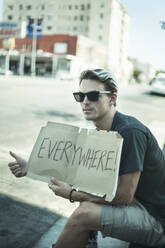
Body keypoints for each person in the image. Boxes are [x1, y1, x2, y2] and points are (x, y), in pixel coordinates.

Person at [8, 69, 165, 248]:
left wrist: (71, 194)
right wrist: (32, 166)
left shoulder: (129, 132)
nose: (85, 102)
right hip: (140, 205)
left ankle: (84, 235)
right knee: (90, 183)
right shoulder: (103, 132)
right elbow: (73, 169)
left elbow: (124, 196)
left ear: (112, 98)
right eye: (80, 96)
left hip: (156, 217)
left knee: (83, 215)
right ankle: (88, 240)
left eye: (93, 95)